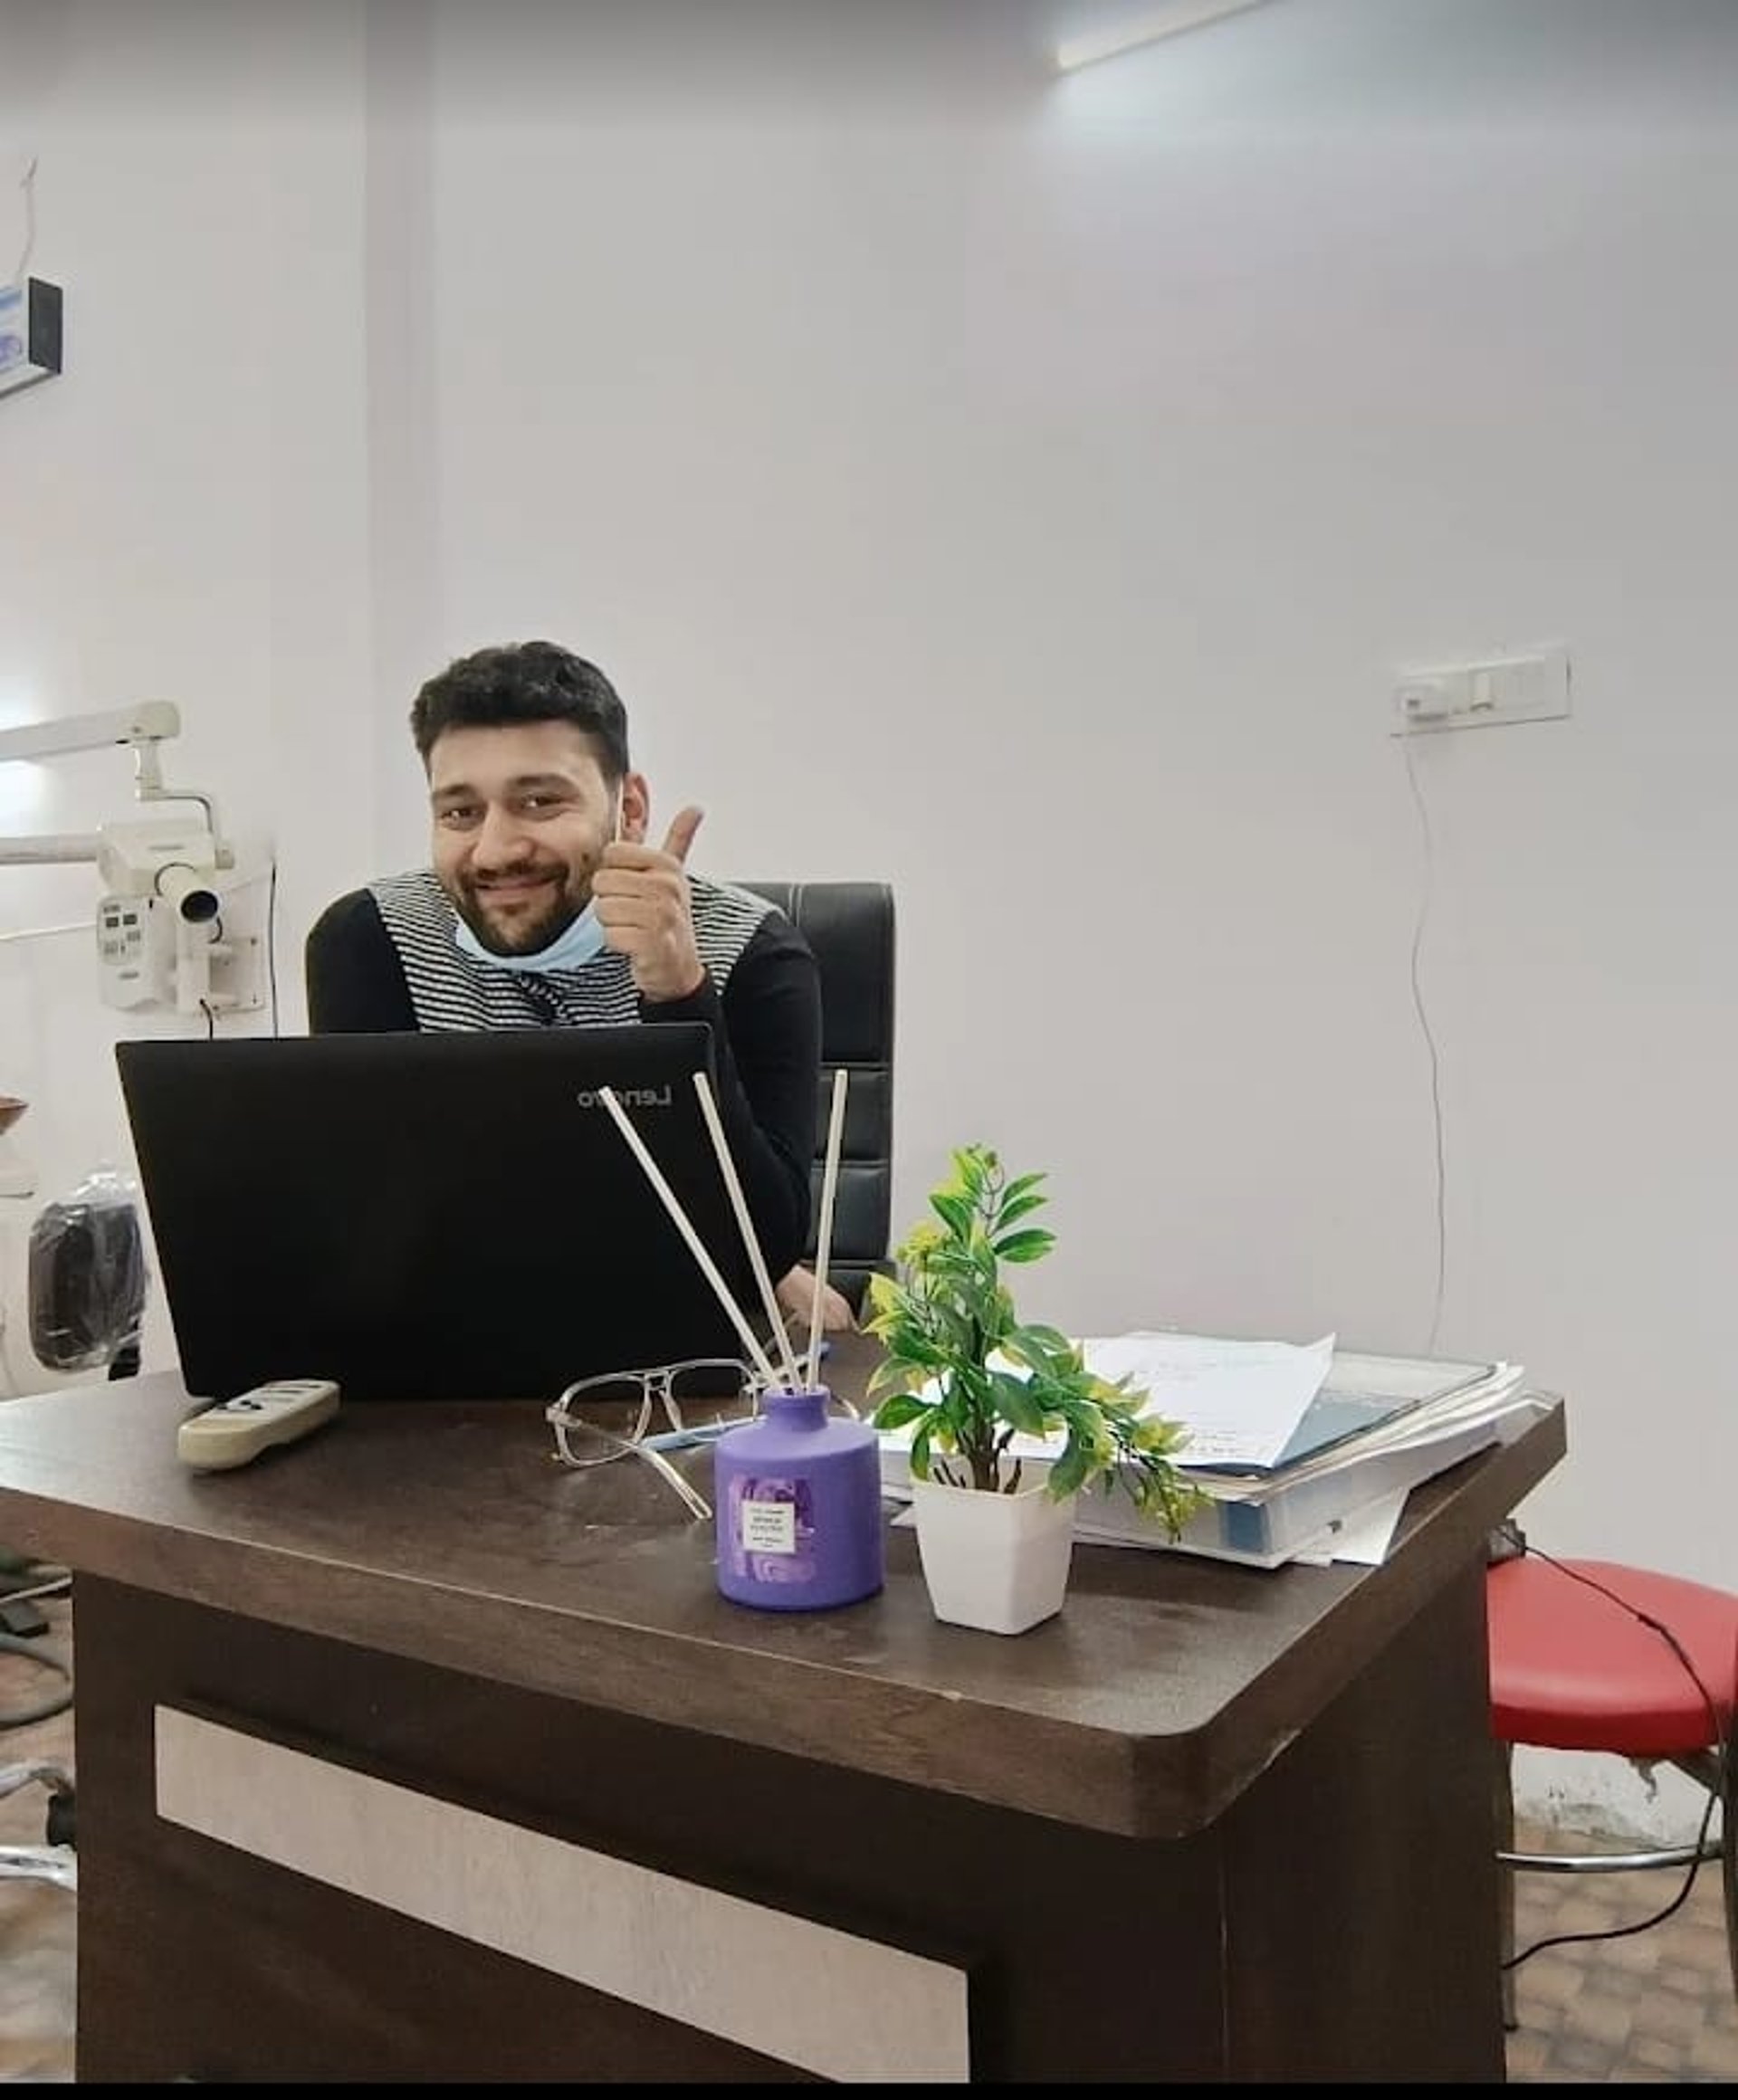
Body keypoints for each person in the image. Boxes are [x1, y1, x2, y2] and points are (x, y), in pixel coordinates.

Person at [304, 638, 853, 1332]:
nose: (496, 851)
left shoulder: (751, 951)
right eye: (460, 813)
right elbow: (367, 1227)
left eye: (539, 802)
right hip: (447, 1340)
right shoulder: (371, 940)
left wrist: (679, 995)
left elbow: (760, 1249)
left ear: (630, 809)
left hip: (674, 1344)